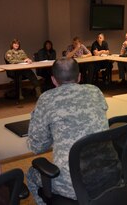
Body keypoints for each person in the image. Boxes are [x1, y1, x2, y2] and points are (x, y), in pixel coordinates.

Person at [27, 58, 116, 204]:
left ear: (53, 80)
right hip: (108, 173)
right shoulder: (95, 91)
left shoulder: (46, 99)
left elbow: (37, 147)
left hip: (73, 185)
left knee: (31, 174)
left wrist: (53, 133)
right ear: (80, 77)